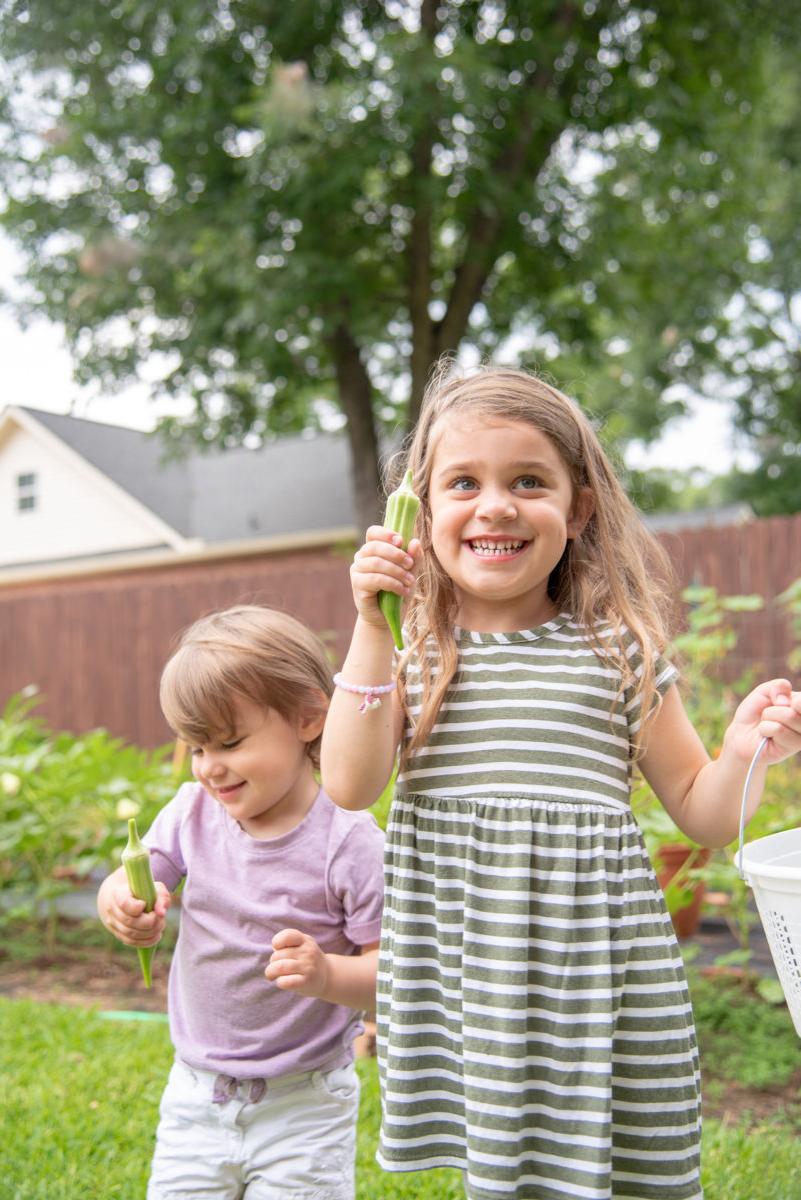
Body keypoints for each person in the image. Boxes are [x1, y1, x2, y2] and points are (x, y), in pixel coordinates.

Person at [321, 363, 801, 1200]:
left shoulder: (618, 651)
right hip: (473, 974)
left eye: (528, 482)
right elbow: (349, 784)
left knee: (613, 1166)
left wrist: (742, 753)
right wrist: (371, 627)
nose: (495, 505)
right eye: (462, 483)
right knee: (502, 1167)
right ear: (422, 511)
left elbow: (704, 814)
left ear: (577, 509)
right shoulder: (413, 651)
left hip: (595, 971)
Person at [98, 605, 384, 1200]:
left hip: (303, 1102)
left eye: (229, 742)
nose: (210, 768)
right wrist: (122, 902)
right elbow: (134, 877)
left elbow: (395, 976)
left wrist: (329, 974)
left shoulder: (348, 842)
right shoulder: (189, 814)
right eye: (197, 748)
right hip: (197, 1094)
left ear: (309, 717)